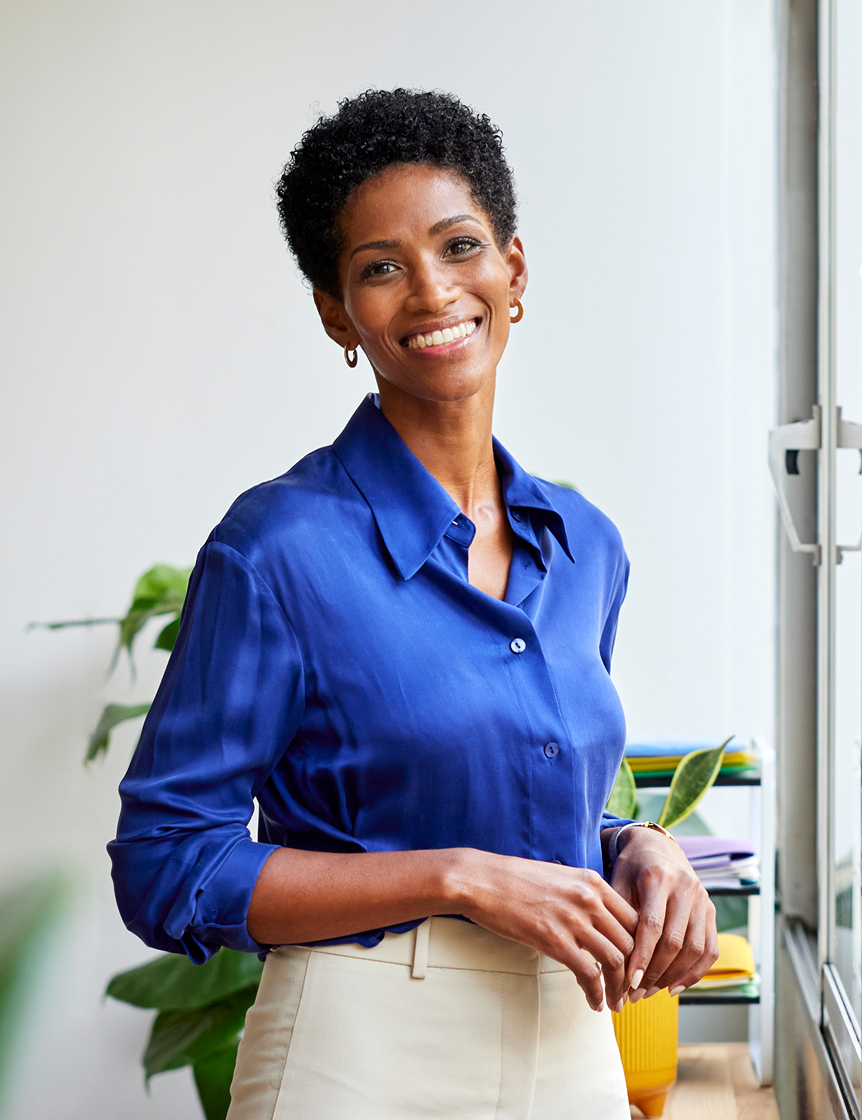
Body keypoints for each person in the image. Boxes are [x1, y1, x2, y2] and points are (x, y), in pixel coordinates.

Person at [109, 88, 718, 1120]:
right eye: (380, 267)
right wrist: (455, 878)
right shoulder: (278, 550)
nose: (432, 290)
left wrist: (633, 845)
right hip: (359, 1058)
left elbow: (529, 786)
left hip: (573, 1050)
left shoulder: (585, 548)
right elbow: (166, 864)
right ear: (337, 313)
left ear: (512, 271)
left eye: (459, 245)